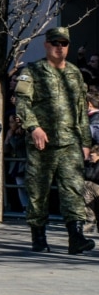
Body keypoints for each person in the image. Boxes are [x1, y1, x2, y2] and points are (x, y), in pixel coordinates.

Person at [14, 26, 95, 255]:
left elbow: (80, 110)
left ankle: (76, 237)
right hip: (43, 143)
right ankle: (38, 236)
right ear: (47, 45)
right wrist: (34, 127)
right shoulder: (33, 72)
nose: (60, 47)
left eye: (64, 43)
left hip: (70, 141)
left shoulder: (74, 73)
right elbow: (22, 103)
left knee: (73, 189)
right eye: (55, 43)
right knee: (38, 191)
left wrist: (86, 142)